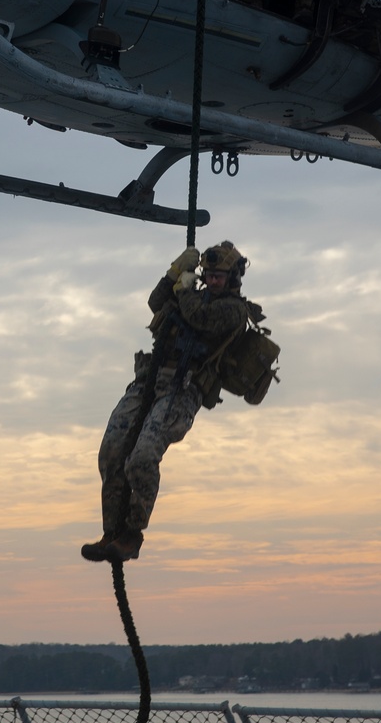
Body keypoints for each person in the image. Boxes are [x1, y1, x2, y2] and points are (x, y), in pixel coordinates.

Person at [81, 241, 266, 563]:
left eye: (218, 276)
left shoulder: (233, 310)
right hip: (150, 380)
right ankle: (111, 532)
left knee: (142, 457)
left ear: (233, 278)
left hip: (184, 389)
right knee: (111, 451)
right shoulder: (191, 292)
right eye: (207, 275)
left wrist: (184, 287)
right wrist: (173, 273)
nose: (211, 281)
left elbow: (199, 317)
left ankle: (132, 533)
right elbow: (156, 302)